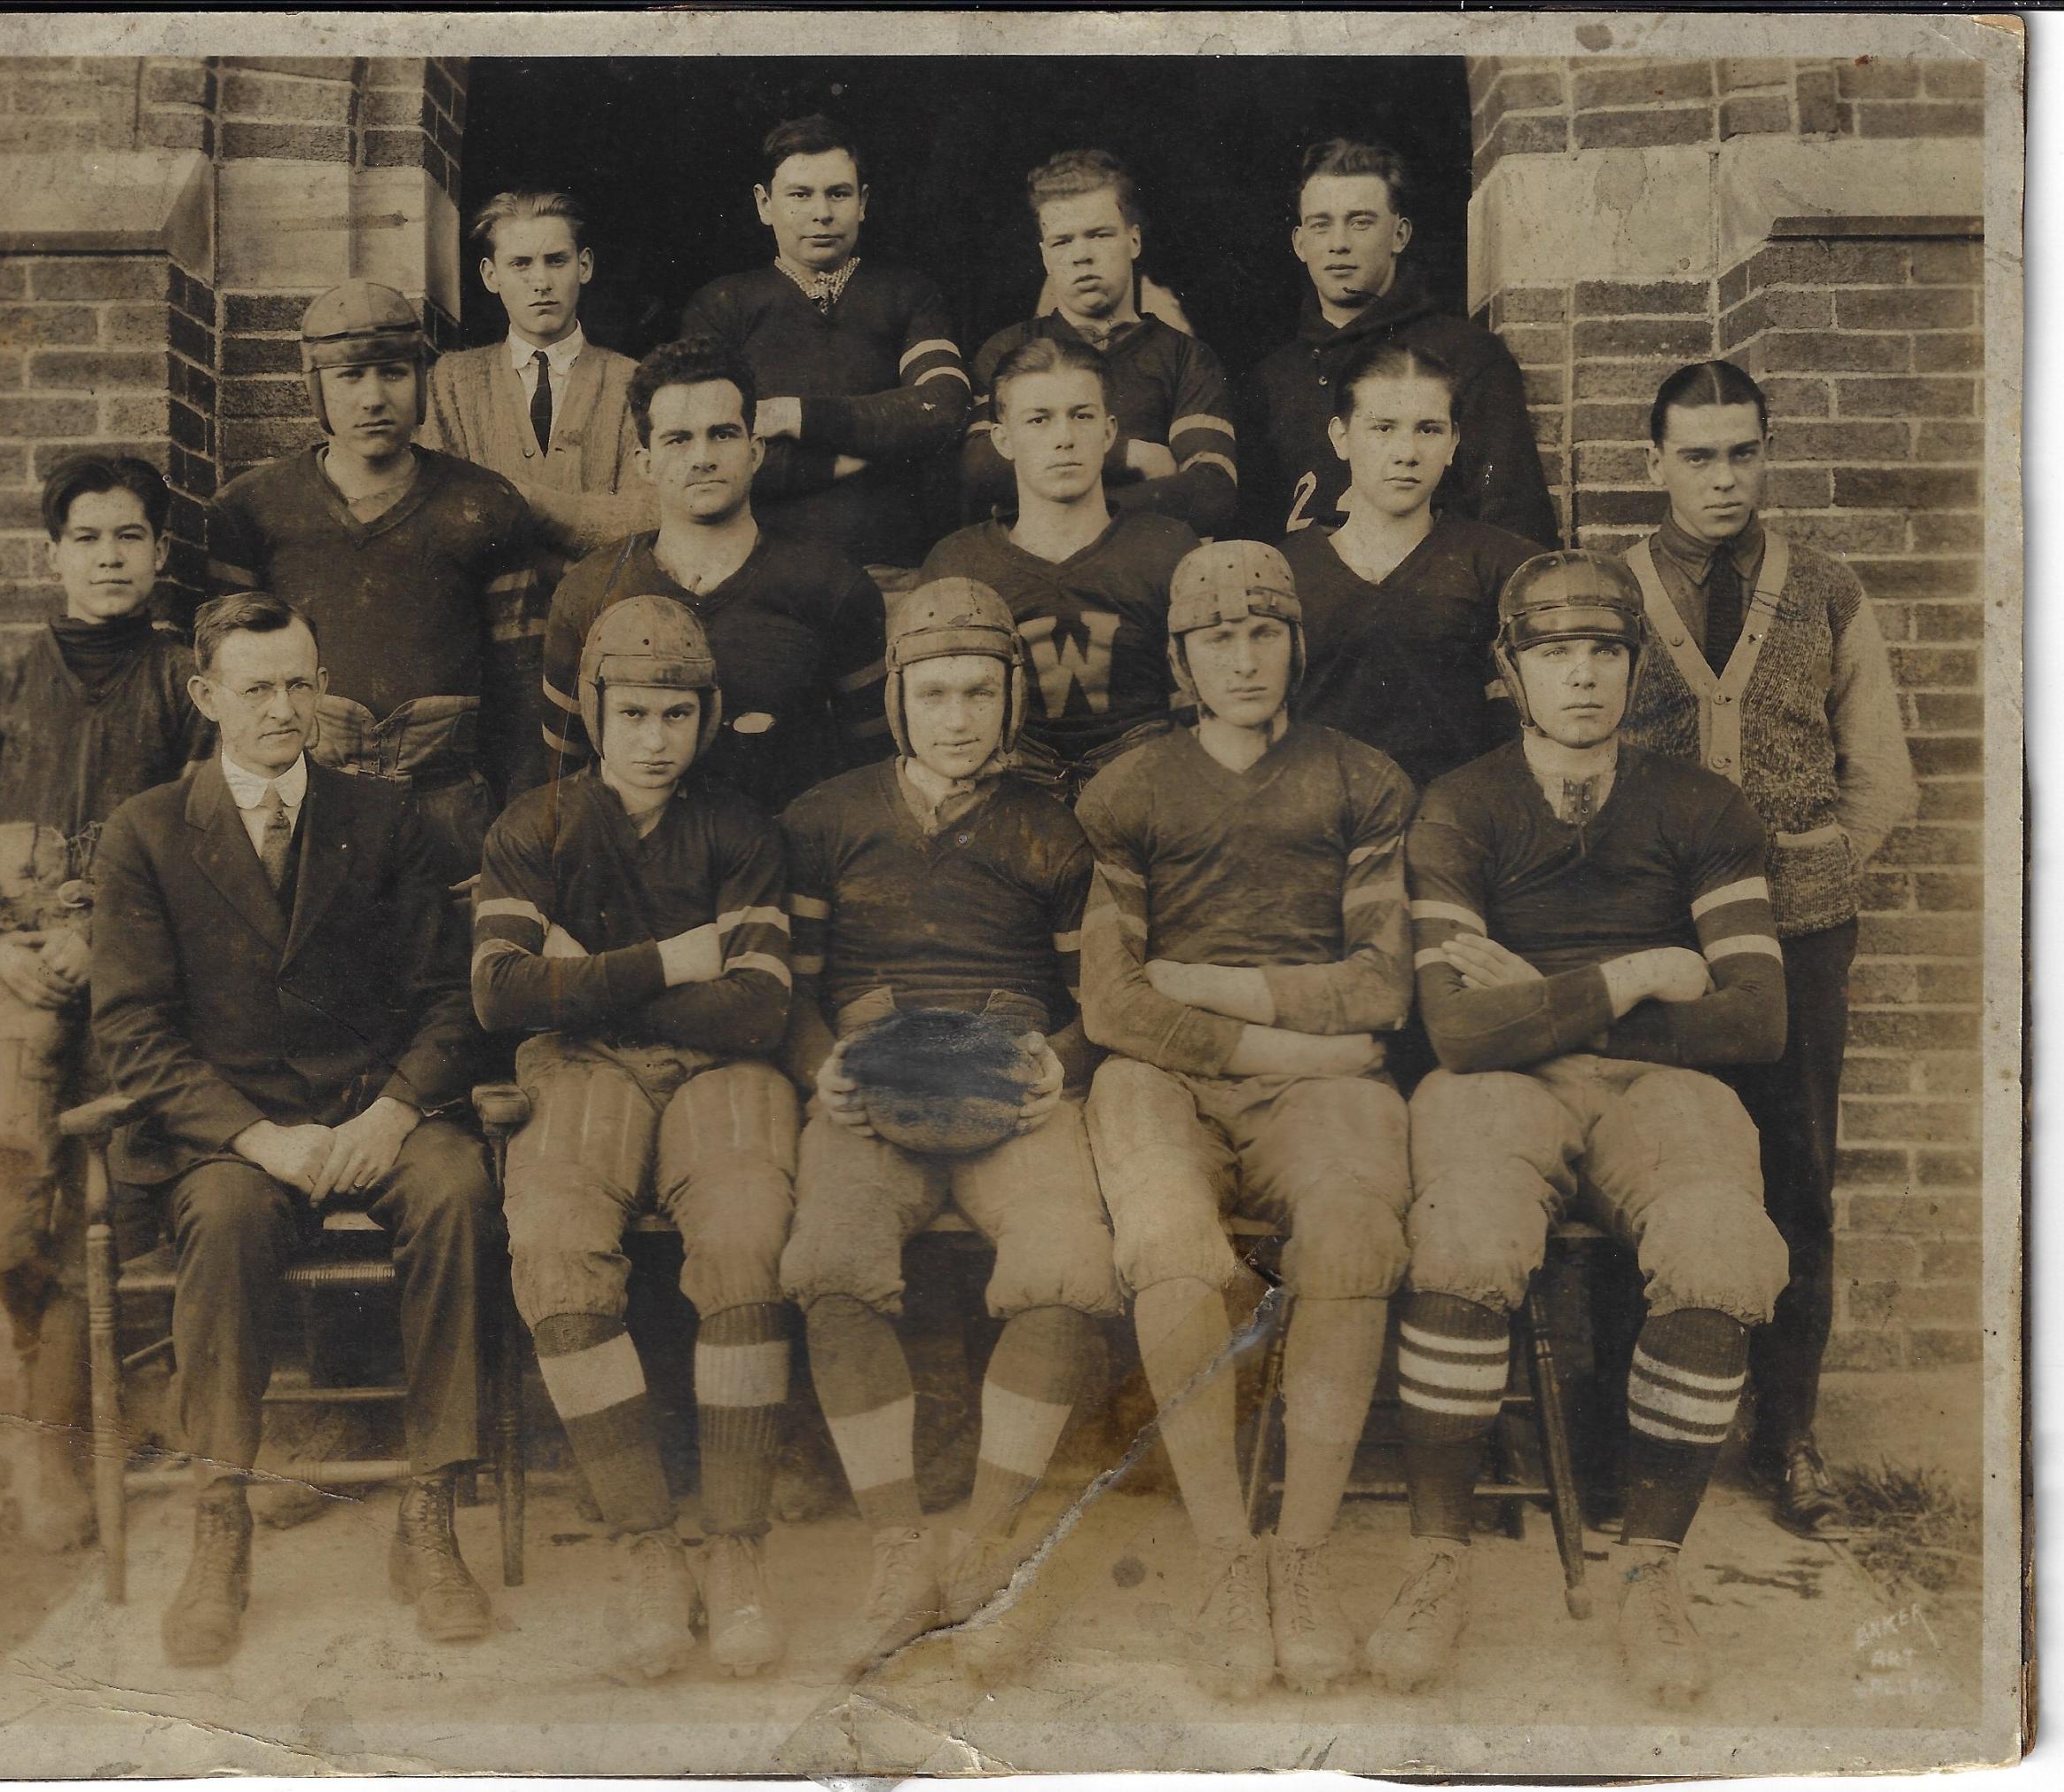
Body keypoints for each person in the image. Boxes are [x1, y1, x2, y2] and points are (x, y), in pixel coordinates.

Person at [1375, 551, 1789, 1706]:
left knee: (1723, 1253)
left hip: (1657, 1088)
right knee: (1459, 1242)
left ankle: (1650, 1572)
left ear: (1632, 664)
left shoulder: (1700, 805)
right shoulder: (1461, 804)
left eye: (1604, 651)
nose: (1584, 677)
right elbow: (1458, 1031)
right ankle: (1436, 1560)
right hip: (1496, 1084)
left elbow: (1753, 1019)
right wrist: (1651, 969)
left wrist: (1552, 1000)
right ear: (1510, 670)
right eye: (1555, 653)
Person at [91, 594, 502, 1668]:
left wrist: (397, 1107)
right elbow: (131, 1032)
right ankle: (219, 1520)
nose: (285, 708)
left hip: (375, 1108)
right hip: (234, 1132)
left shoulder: (387, 818)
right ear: (206, 696)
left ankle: (431, 1510)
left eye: (301, 683)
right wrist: (256, 1137)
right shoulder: (145, 832)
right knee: (223, 1218)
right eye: (259, 687)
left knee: (458, 1188)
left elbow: (451, 999)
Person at [1078, 540, 1417, 1699]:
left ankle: (1303, 1558)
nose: (1243, 657)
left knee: (1356, 1238)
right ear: (1180, 656)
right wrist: (1282, 1038)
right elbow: (1113, 1000)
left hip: (1316, 1080)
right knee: (1173, 1255)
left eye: (1263, 631)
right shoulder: (1129, 790)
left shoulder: (1358, 779)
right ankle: (1227, 1558)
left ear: (1297, 643)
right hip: (1168, 1073)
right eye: (1216, 637)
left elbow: (1382, 988)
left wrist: (1217, 987)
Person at [776, 578, 1119, 1678]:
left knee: (1070, 1269)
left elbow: (1095, 1001)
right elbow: (783, 980)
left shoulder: (1055, 830)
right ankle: (898, 1546)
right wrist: (814, 1062)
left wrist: (1052, 1066)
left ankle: (985, 1541)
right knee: (829, 1262)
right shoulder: (827, 819)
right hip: (868, 1089)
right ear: (895, 698)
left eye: (979, 691)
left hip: (1009, 1095)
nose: (958, 715)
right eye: (934, 693)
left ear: (1012, 698)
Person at [473, 595, 799, 1681]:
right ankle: (647, 1545)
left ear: (704, 719)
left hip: (724, 1067)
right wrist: (671, 962)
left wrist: (587, 982)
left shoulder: (742, 827)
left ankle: (737, 1547)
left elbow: (758, 1012)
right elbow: (498, 994)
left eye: (674, 714)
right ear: (592, 714)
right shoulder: (534, 823)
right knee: (558, 1251)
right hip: (578, 1069)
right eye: (632, 715)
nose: (652, 739)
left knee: (747, 1240)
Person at [1621, 360, 1916, 1539]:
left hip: (1797, 940)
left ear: (1766, 454)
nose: (1723, 478)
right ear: (1657, 465)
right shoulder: (1607, 587)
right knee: (1647, 1169)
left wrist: (1812, 872)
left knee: (1798, 1177)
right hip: (1652, 948)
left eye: (1742, 452)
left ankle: (1788, 1437)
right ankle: (1631, 1434)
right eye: (1697, 456)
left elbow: (1882, 771)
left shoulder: (1828, 590)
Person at [0, 453, 212, 1551]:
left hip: (139, 987)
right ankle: (65, 1428)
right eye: (87, 539)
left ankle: (88, 1431)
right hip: (16, 982)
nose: (110, 558)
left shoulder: (188, 682)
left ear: (161, 552)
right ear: (54, 554)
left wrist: (108, 937)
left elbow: (203, 839)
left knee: (113, 1199)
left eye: (130, 537)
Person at [207, 279, 547, 881]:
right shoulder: (253, 509)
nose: (372, 397)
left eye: (392, 373)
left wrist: (515, 836)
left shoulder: (484, 505)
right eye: (348, 377)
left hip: (448, 814)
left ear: (420, 383)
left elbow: (520, 689)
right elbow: (229, 687)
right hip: (308, 811)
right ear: (316, 388)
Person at [540, 336, 891, 813]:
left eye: (722, 434)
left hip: (787, 870)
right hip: (636, 869)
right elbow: (559, 774)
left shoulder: (831, 586)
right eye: (678, 439)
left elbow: (874, 770)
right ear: (645, 463)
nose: (702, 456)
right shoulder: (590, 589)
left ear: (756, 450)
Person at [681, 113, 969, 586]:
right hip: (760, 579)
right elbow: (712, 455)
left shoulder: (910, 294)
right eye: (800, 195)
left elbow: (942, 409)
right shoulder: (721, 306)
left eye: (838, 193)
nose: (822, 213)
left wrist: (794, 416)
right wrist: (863, 453)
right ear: (764, 203)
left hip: (898, 575)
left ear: (863, 203)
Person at [920, 334, 1197, 796]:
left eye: (1081, 415)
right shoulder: (960, 563)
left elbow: (1200, 717)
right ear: (1004, 439)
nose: (1064, 438)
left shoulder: (1165, 548)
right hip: (1008, 803)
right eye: (1039, 420)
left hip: (1151, 796)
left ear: (1109, 432)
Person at [1244, 138, 1558, 547]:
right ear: (1300, 244)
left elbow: (1514, 526)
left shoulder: (1464, 355)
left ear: (1400, 234)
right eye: (1322, 224)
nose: (1339, 243)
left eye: (1360, 222)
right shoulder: (1273, 378)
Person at [1278, 342, 1538, 792]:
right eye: (1383, 428)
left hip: (1457, 827)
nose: (1407, 452)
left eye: (1429, 430)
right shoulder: (1283, 569)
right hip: (1316, 827)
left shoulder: (1502, 565)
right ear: (1341, 437)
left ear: (1454, 442)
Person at [964, 150, 1238, 538]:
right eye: (1062, 241)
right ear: (1044, 256)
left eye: (1099, 235)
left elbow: (1212, 494)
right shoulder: (1007, 349)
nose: (1082, 256)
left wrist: (1065, 503)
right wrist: (1129, 456)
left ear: (1134, 240)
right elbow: (981, 469)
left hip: (1146, 573)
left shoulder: (1187, 358)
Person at [423, 190, 659, 601]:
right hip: (483, 621)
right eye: (520, 264)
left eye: (556, 261)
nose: (542, 282)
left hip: (600, 616)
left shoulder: (634, 382)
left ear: (583, 266)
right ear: (490, 275)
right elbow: (439, 517)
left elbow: (646, 519)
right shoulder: (452, 382)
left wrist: (521, 499)